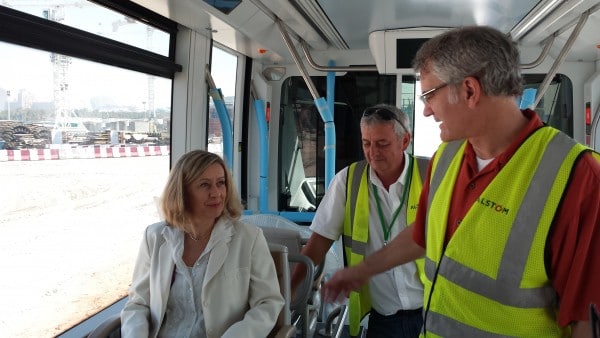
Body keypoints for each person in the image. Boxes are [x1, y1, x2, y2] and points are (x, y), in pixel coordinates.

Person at [322, 25, 600, 337]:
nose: (426, 110)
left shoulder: (578, 176)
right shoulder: (446, 157)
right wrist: (363, 270)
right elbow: (423, 233)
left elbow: (587, 319)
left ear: (469, 90)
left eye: (429, 95)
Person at [291, 103, 427, 337]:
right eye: (366, 143)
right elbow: (318, 243)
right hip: (383, 319)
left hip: (433, 312)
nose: (373, 152)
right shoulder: (347, 182)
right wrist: (287, 295)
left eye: (382, 144)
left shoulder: (431, 174)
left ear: (405, 141)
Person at [121, 150, 284, 338]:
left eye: (221, 183)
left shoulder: (249, 238)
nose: (216, 193)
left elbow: (268, 303)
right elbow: (138, 303)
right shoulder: (155, 237)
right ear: (182, 192)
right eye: (204, 185)